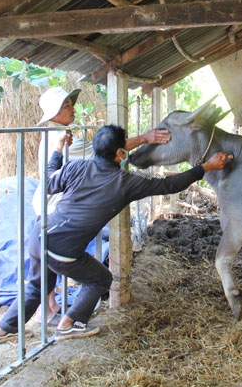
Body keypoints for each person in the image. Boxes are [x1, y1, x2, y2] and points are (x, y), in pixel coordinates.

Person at [0, 124, 232, 341]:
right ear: (120, 154)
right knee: (101, 279)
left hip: (39, 236)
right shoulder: (125, 182)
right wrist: (205, 168)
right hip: (64, 250)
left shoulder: (77, 166)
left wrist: (58, 151)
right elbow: (168, 185)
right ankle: (68, 323)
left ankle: (5, 330)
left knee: (37, 286)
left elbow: (49, 183)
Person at [30, 87, 172, 327]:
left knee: (44, 264)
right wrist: (145, 138)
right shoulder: (60, 138)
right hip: (55, 208)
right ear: (54, 113)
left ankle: (49, 310)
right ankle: (56, 318)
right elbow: (103, 154)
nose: (72, 107)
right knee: (64, 267)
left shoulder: (61, 134)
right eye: (66, 105)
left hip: (53, 207)